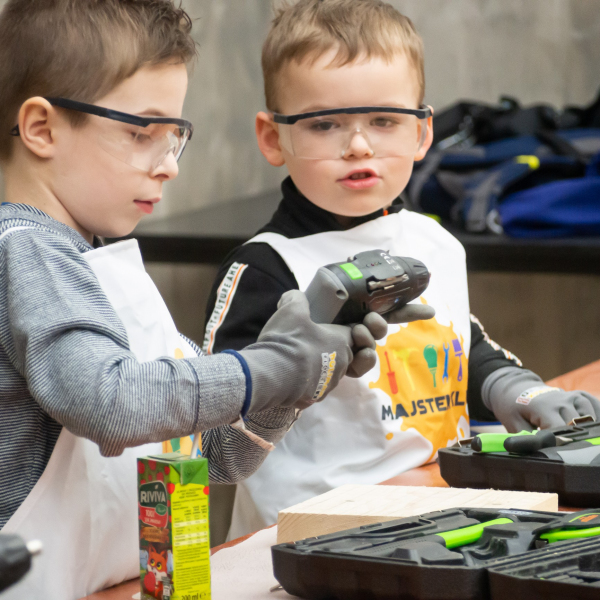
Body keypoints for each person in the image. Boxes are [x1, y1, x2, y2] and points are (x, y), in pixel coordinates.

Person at [0, 1, 403, 598]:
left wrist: (298, 377)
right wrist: (267, 368)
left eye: (175, 137)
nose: (169, 166)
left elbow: (217, 456)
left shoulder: (106, 264)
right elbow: (110, 403)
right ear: (42, 128)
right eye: (143, 132)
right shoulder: (25, 249)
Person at [203, 0, 600, 539]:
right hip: (315, 540)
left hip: (446, 514)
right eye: (324, 123)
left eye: (384, 120)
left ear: (421, 132)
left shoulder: (433, 241)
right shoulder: (264, 268)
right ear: (274, 137)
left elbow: (462, 345)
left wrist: (522, 393)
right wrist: (291, 372)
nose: (358, 145)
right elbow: (217, 451)